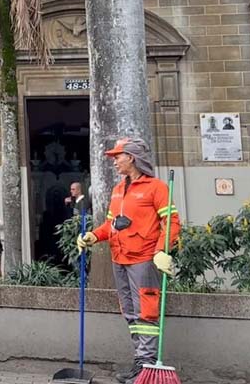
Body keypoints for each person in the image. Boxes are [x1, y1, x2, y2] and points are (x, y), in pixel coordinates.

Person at [77, 137, 181, 384]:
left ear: (131, 158)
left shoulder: (156, 188)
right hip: (119, 259)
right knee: (130, 313)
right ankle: (140, 362)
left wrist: (161, 250)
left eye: (118, 157)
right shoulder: (117, 190)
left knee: (146, 312)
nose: (114, 162)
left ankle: (146, 364)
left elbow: (171, 222)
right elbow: (111, 225)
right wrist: (94, 235)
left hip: (144, 259)